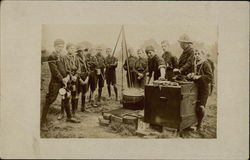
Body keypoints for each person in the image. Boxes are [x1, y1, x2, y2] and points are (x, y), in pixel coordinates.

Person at [40, 39, 75, 130]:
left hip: (64, 81)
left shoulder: (62, 56)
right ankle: (42, 122)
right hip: (55, 83)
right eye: (59, 47)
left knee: (67, 98)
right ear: (55, 46)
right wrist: (62, 79)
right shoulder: (52, 56)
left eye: (62, 47)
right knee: (50, 100)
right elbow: (55, 71)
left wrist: (67, 76)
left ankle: (69, 117)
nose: (60, 48)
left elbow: (66, 68)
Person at [186, 49, 213, 131]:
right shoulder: (194, 64)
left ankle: (200, 124)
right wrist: (190, 75)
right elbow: (192, 74)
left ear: (203, 55)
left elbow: (210, 77)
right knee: (192, 106)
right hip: (195, 88)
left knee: (200, 108)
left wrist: (199, 77)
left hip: (203, 90)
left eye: (198, 54)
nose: (196, 55)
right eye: (195, 54)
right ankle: (190, 124)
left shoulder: (205, 64)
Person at [60, 43, 81, 123]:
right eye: (70, 48)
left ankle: (74, 112)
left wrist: (76, 75)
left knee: (74, 95)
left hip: (75, 80)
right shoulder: (64, 58)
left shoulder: (76, 58)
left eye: (73, 48)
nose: (72, 50)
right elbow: (64, 68)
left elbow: (78, 68)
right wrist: (71, 75)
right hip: (67, 79)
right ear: (67, 49)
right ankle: (62, 113)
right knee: (65, 96)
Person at [76, 45, 89, 112]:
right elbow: (75, 71)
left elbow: (88, 68)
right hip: (79, 77)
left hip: (85, 77)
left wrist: (87, 78)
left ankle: (83, 107)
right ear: (78, 52)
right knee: (78, 93)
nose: (81, 52)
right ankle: (75, 110)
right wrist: (80, 79)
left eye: (82, 51)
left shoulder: (85, 58)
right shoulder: (76, 58)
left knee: (84, 92)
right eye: (80, 51)